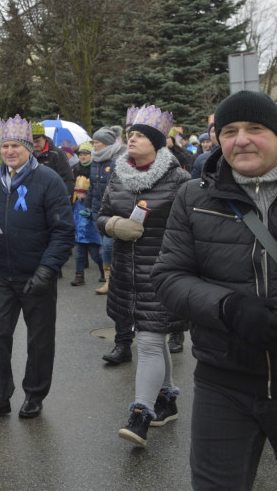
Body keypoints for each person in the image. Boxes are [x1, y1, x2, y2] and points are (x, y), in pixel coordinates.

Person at [153, 91, 277, 489]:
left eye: (254, 129)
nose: (241, 139)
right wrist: (228, 307)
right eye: (229, 131)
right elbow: (168, 277)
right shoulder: (193, 196)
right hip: (223, 380)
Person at [96, 104, 190, 447]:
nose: (131, 139)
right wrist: (113, 225)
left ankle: (140, 416)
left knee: (149, 341)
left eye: (138, 135)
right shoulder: (118, 174)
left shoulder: (179, 179)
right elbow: (100, 215)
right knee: (154, 337)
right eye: (129, 134)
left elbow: (190, 228)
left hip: (162, 274)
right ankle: (167, 399)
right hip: (126, 274)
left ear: (155, 141)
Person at [0, 115, 74, 421]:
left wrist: (47, 269)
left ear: (29, 148)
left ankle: (34, 395)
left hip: (36, 274)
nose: (9, 151)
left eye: (16, 145)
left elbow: (63, 231)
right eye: (5, 145)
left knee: (39, 340)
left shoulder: (48, 180)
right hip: (0, 273)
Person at [91, 126, 127, 307]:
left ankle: (112, 281)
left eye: (96, 142)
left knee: (108, 246)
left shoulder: (118, 159)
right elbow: (92, 186)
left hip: (114, 210)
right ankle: (109, 280)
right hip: (98, 210)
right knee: (104, 247)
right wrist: (88, 207)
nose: (94, 145)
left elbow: (118, 188)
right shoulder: (95, 160)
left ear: (106, 143)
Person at [69, 176, 102, 287]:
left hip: (91, 235)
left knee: (95, 256)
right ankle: (79, 276)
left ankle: (104, 272)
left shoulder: (92, 204)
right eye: (77, 193)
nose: (78, 195)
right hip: (79, 235)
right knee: (79, 257)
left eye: (81, 193)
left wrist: (90, 214)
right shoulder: (75, 204)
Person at [31, 123, 75, 198]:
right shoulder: (27, 153)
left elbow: (68, 179)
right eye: (32, 141)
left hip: (53, 196)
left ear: (45, 139)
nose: (35, 144)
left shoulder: (57, 154)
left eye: (37, 141)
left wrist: (64, 197)